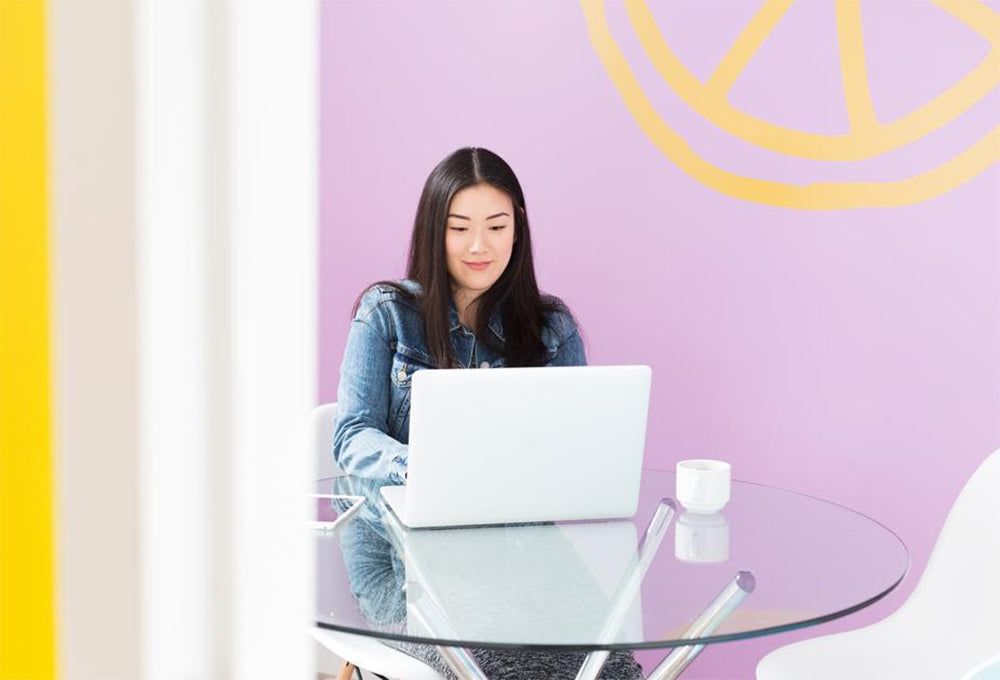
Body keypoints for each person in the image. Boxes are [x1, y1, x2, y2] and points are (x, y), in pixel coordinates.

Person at [333, 147, 587, 482]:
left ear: (517, 230)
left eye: (496, 228)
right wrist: (421, 468)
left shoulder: (554, 328)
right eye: (460, 229)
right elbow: (353, 434)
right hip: (400, 526)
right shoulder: (385, 314)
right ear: (435, 231)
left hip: (519, 527)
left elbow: (581, 445)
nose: (479, 246)